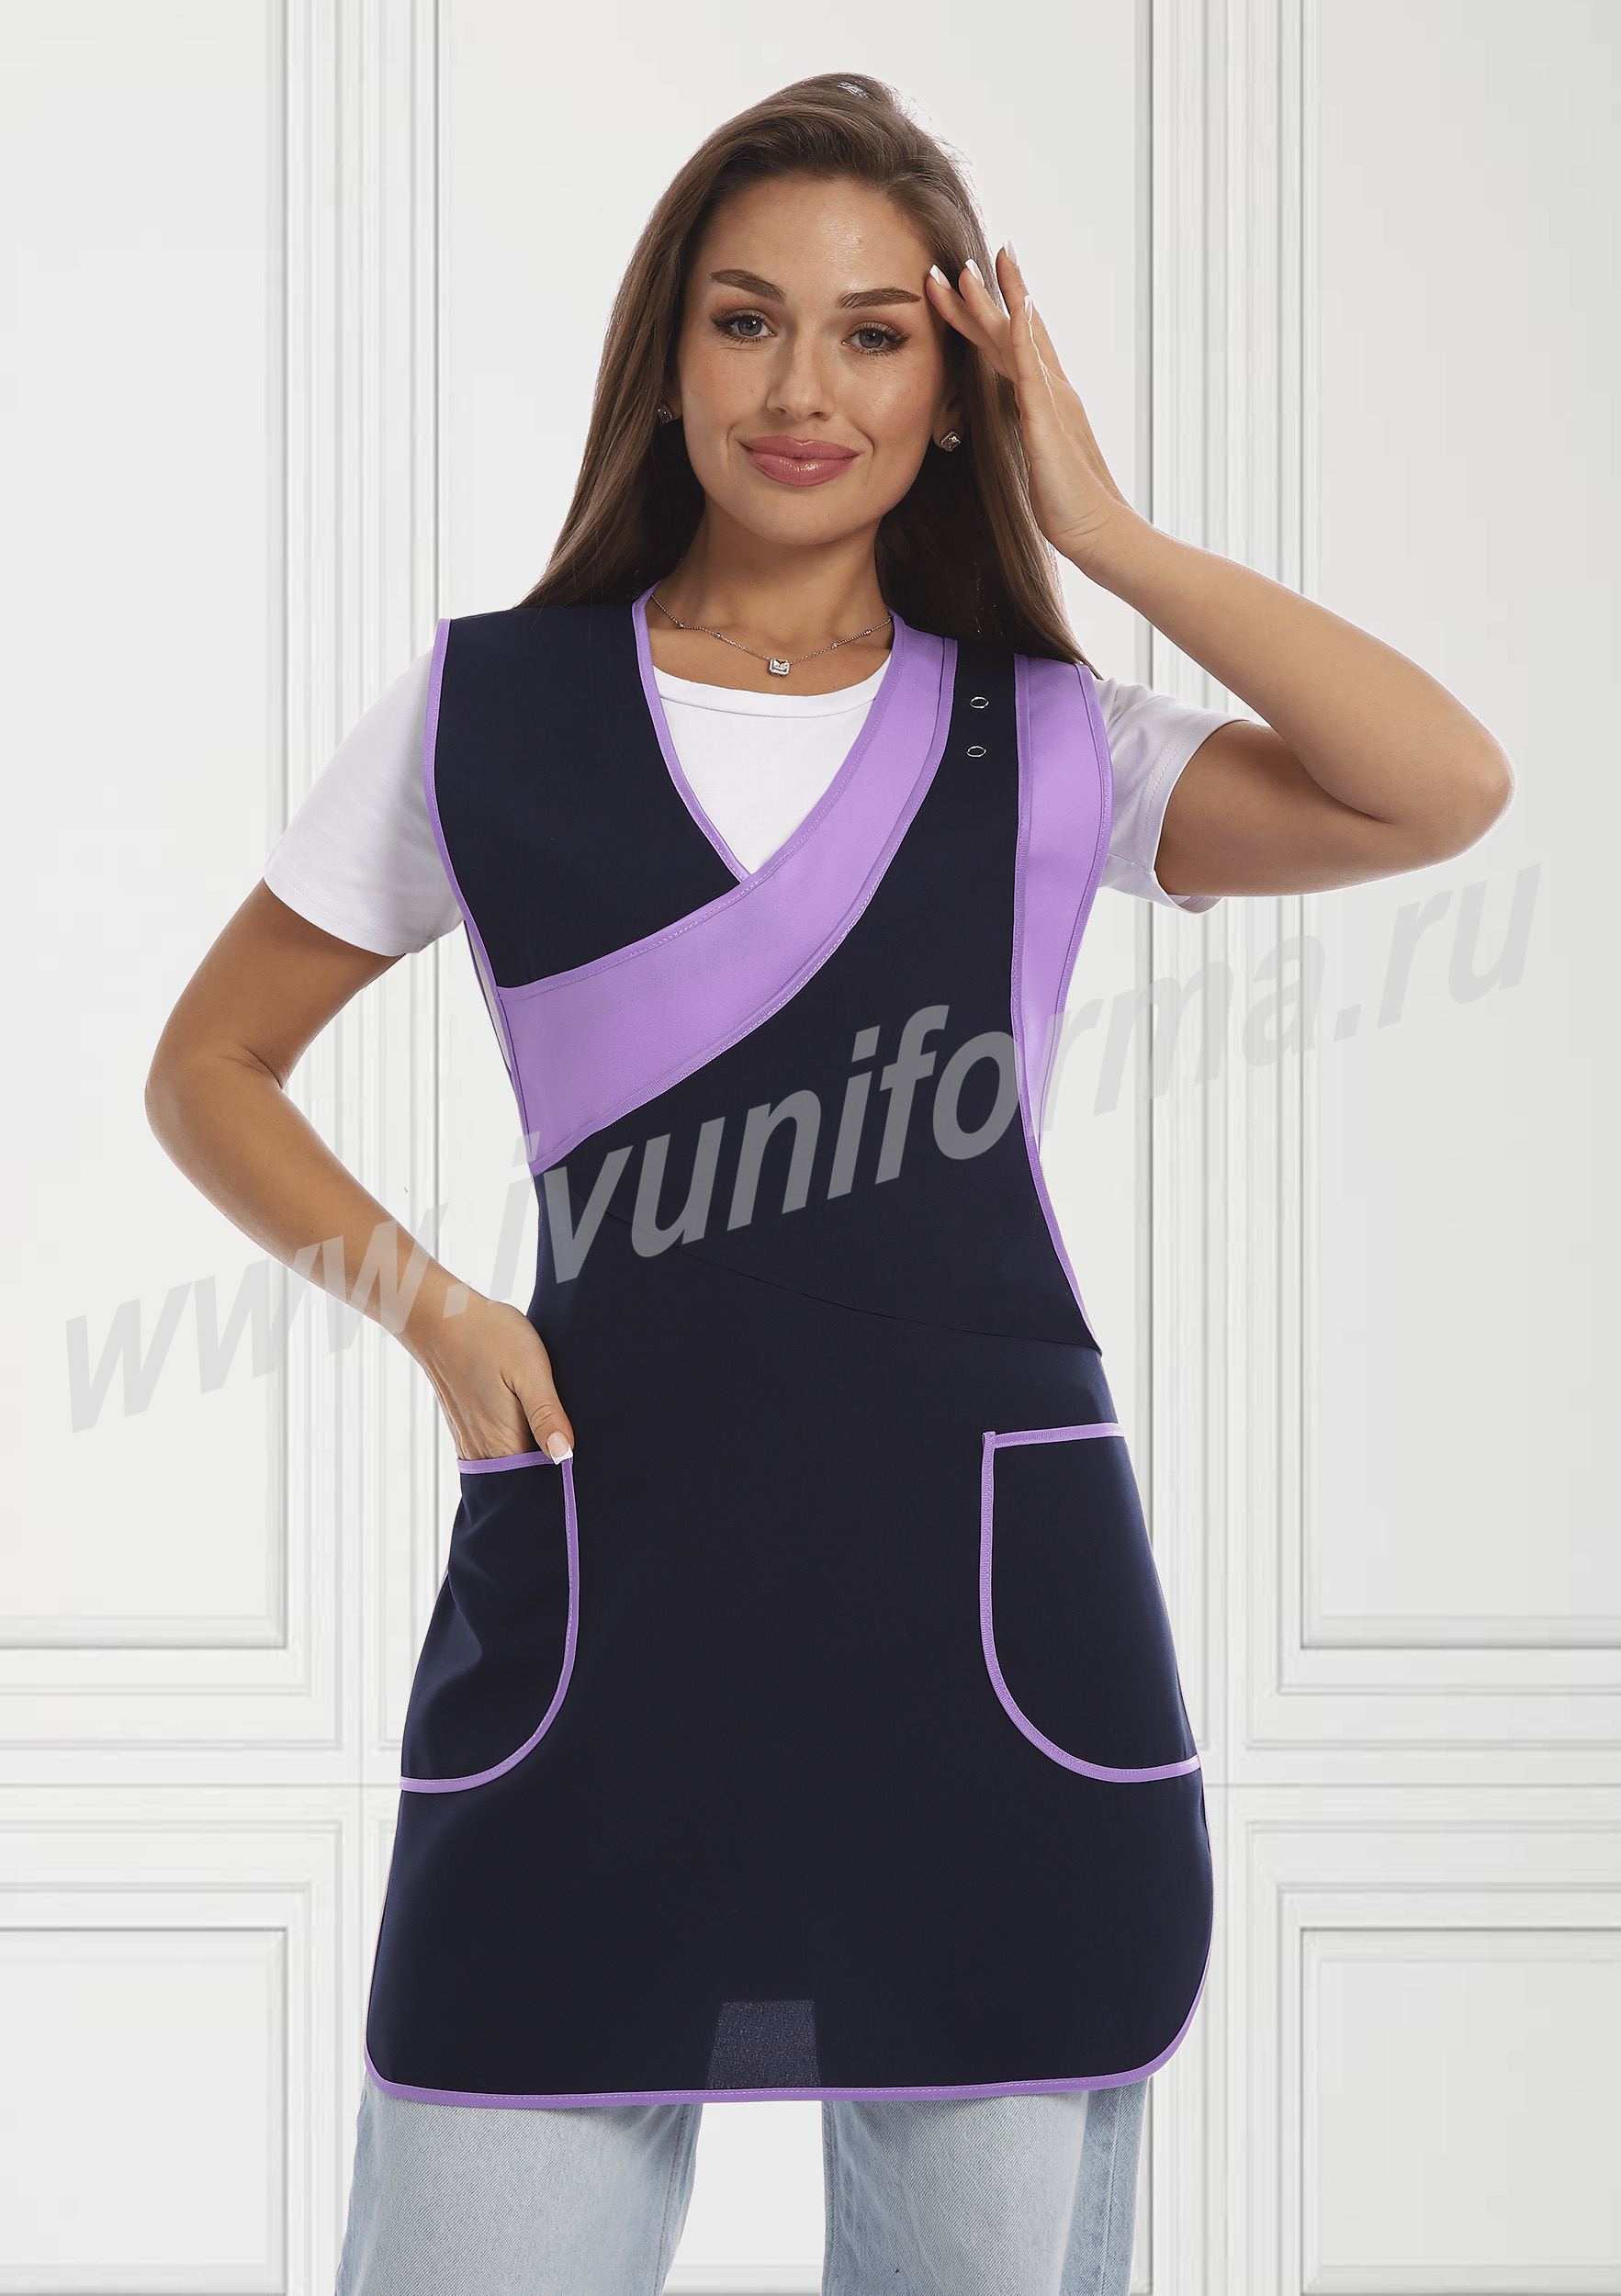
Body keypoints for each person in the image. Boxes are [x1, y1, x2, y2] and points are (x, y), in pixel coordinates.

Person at [145, 70, 1513, 2296]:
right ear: (666, 355)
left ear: (959, 387)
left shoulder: (1054, 738)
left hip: (980, 1660)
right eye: (747, 319)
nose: (804, 388)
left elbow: (1438, 785)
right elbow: (208, 1065)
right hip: (599, 1630)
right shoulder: (484, 712)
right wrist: (432, 1308)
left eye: (877, 334)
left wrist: (1108, 530)